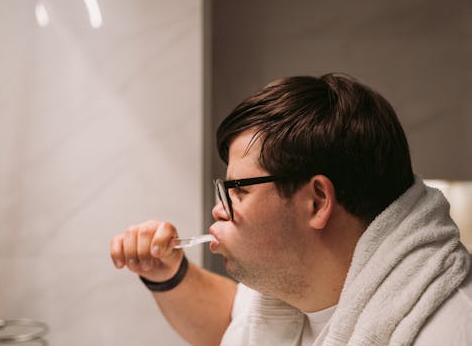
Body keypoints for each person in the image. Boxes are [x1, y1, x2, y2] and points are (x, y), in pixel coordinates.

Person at [110, 73, 472, 346]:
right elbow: (234, 319)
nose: (218, 210)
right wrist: (168, 274)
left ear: (316, 202)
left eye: (238, 191)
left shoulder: (451, 329)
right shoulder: (291, 299)